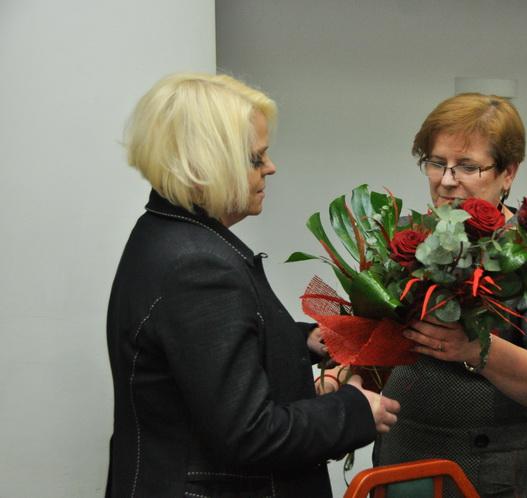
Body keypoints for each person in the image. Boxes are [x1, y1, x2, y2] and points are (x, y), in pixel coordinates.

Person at [105, 73, 399, 498]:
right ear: (203, 167)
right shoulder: (199, 266)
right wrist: (353, 410)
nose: (270, 167)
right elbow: (250, 434)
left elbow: (200, 355)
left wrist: (304, 340)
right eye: (255, 158)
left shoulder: (162, 231)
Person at [372, 93, 527, 497]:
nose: (447, 179)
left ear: (508, 173)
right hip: (403, 459)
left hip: (497, 474)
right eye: (437, 162)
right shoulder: (407, 237)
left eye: (468, 166)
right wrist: (345, 370)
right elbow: (374, 340)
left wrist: (476, 348)